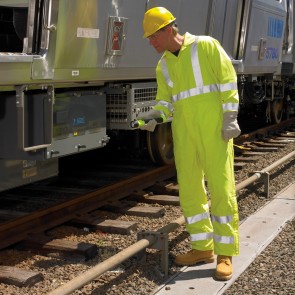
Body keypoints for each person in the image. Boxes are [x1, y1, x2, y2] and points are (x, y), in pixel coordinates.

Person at [140, 7, 241, 281]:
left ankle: (225, 254)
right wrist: (153, 115)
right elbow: (166, 103)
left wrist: (230, 117)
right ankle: (202, 248)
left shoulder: (206, 46)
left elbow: (227, 80)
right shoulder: (163, 65)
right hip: (184, 135)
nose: (151, 42)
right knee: (191, 191)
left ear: (168, 29)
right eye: (149, 38)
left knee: (221, 189)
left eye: (153, 36)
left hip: (214, 131)